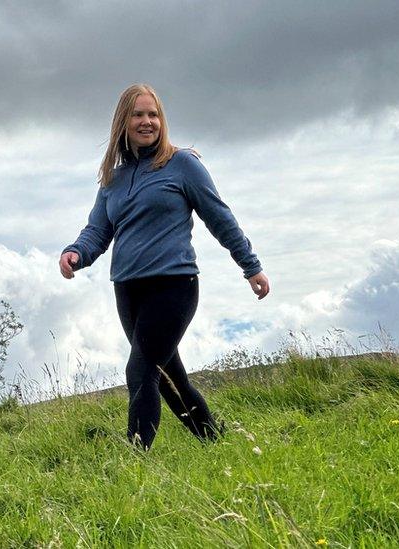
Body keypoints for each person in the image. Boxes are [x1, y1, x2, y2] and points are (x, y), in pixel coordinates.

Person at [59, 83, 270, 451]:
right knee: (171, 377)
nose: (147, 122)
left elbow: (219, 216)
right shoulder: (113, 179)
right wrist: (76, 253)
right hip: (128, 289)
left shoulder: (183, 164)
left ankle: (135, 460)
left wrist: (250, 266)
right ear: (123, 123)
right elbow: (98, 229)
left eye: (153, 114)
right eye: (138, 115)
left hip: (174, 286)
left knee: (140, 371)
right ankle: (217, 445)